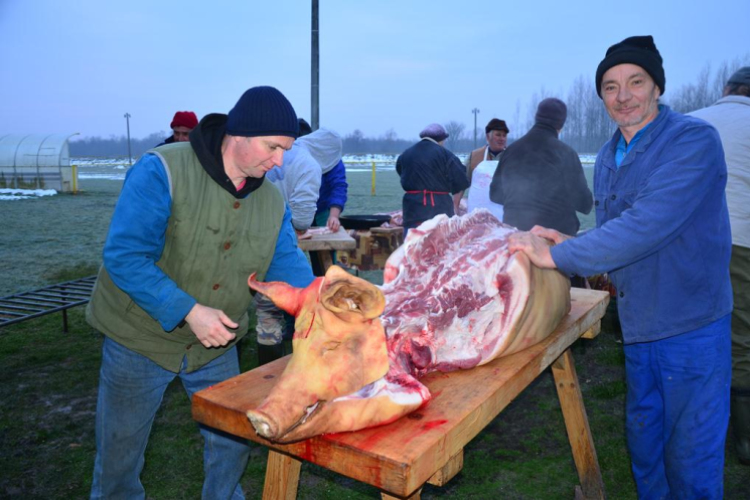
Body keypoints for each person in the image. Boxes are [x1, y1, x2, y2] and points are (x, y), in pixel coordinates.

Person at [508, 36, 732, 499]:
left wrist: (558, 255)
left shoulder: (692, 141)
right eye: (610, 87)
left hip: (689, 325)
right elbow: (620, 236)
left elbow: (649, 223)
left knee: (689, 457)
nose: (623, 95)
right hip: (638, 325)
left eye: (635, 82)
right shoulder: (609, 155)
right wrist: (572, 242)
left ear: (657, 88)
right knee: (646, 448)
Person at [86, 86, 315, 499]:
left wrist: (330, 304)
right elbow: (125, 255)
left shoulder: (271, 200)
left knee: (231, 441)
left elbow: (288, 268)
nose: (279, 161)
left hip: (217, 341)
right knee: (120, 453)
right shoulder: (162, 169)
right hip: (138, 337)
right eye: (273, 146)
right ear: (239, 133)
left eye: (286, 150)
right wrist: (189, 309)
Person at [690, 66, 750, 466]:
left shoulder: (693, 121)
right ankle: (745, 437)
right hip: (743, 238)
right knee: (743, 333)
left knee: (701, 330)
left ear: (726, 89)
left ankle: (699, 425)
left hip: (697, 240)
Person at [256, 130, 327, 362]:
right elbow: (303, 219)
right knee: (301, 307)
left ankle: (266, 371)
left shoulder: (267, 152)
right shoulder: (308, 164)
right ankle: (299, 366)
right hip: (280, 244)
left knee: (266, 314)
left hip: (254, 243)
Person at [489, 98, 592, 235]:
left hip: (514, 235)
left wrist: (521, 201)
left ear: (536, 118)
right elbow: (584, 204)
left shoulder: (511, 151)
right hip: (553, 238)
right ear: (560, 124)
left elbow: (495, 194)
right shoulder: (565, 153)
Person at [397, 123, 470, 234]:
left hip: (411, 210)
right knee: (436, 247)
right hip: (438, 209)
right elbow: (461, 179)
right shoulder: (445, 154)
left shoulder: (406, 154)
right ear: (441, 139)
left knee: (411, 245)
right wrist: (454, 202)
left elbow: (400, 171)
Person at [466, 118, 510, 221]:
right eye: (498, 135)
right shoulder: (475, 156)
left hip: (504, 215)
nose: (502, 138)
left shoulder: (512, 156)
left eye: (504, 135)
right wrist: (456, 205)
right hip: (477, 215)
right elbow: (464, 181)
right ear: (487, 136)